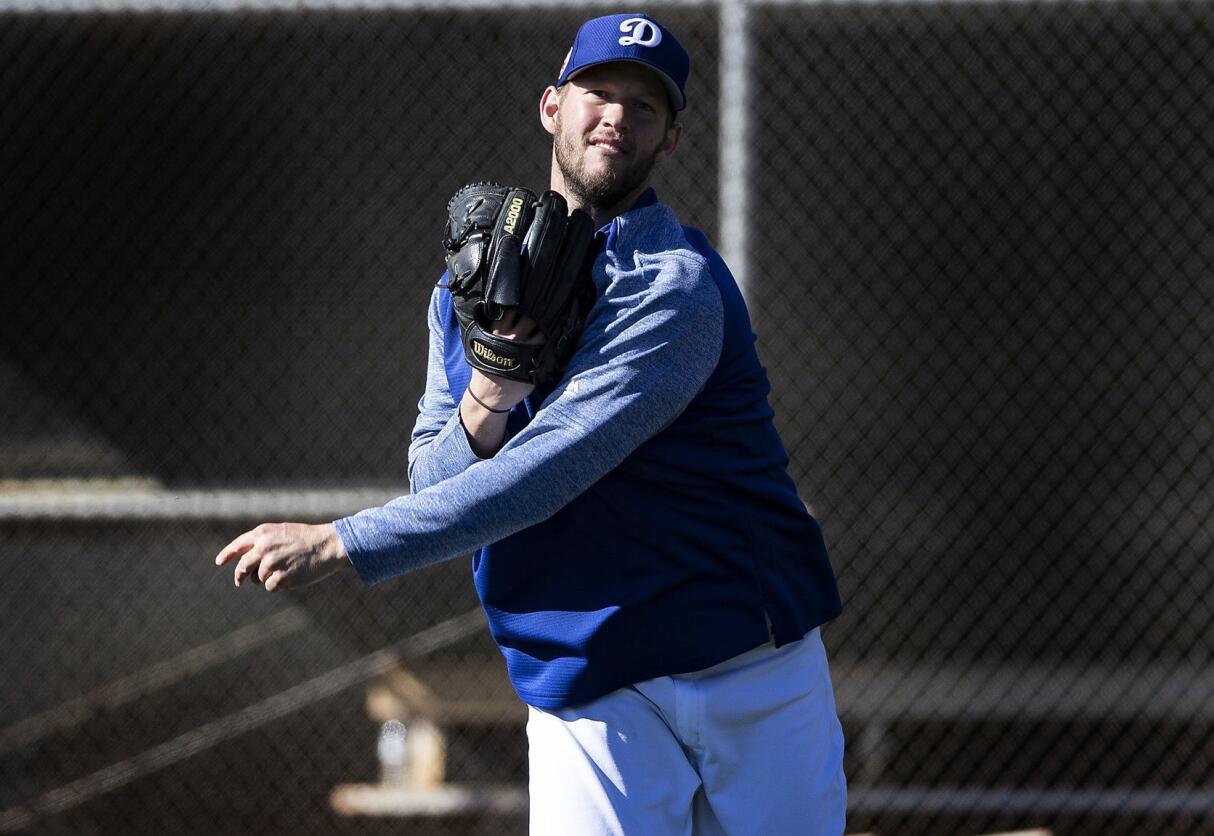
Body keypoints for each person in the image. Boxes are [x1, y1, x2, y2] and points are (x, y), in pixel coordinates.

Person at [217, 13, 847, 834]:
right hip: (585, 675)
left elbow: (552, 470)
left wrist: (343, 540)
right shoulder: (466, 288)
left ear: (671, 141)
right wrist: (490, 388)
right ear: (552, 107)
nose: (617, 116)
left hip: (742, 663)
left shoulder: (676, 286)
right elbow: (437, 480)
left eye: (644, 107)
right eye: (599, 92)